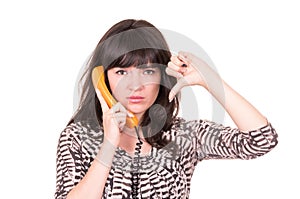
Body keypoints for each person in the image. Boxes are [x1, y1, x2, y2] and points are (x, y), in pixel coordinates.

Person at [55, 19, 278, 199]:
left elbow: (262, 140)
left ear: (162, 75)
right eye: (121, 72)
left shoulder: (183, 136)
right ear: (102, 79)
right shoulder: (78, 138)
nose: (135, 85)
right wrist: (109, 145)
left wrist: (209, 80)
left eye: (148, 71)